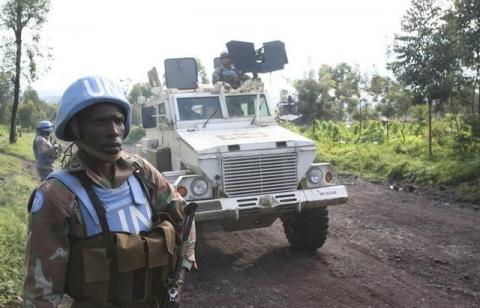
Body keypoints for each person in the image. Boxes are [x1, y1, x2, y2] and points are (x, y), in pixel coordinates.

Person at [24, 76, 196, 308]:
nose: (114, 131)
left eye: (118, 120)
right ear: (77, 129)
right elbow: (41, 293)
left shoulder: (142, 173)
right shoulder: (57, 195)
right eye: (99, 122)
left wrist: (179, 276)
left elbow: (185, 216)